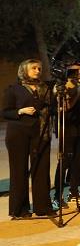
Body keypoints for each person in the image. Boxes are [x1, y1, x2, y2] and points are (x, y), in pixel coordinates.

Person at [3, 59, 54, 219]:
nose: (38, 71)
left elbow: (52, 108)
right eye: (33, 68)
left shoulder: (46, 88)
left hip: (41, 132)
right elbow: (5, 112)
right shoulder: (14, 89)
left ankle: (43, 207)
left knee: (42, 169)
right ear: (24, 70)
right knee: (19, 171)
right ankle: (20, 210)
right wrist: (21, 111)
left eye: (39, 68)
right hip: (18, 134)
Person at [54, 66, 80, 205]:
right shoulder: (61, 88)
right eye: (76, 70)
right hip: (68, 128)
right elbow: (66, 108)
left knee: (78, 162)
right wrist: (77, 93)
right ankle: (57, 196)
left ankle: (74, 192)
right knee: (64, 162)